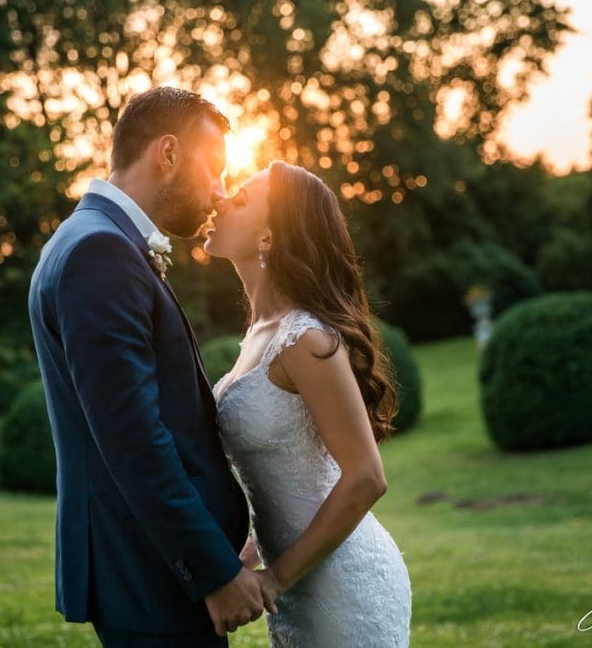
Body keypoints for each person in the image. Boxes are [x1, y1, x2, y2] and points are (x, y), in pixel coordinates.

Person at [27, 87, 276, 647]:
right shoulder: (101, 254)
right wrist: (211, 570)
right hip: (151, 577)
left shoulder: (88, 239)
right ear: (168, 154)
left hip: (145, 570)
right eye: (213, 170)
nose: (218, 192)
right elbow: (135, 441)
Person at [203, 160, 412, 646]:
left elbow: (366, 478)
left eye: (239, 199)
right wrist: (249, 557)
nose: (218, 201)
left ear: (270, 237)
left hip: (343, 585)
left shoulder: (305, 339)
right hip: (301, 578)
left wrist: (274, 580)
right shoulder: (259, 333)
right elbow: (289, 480)